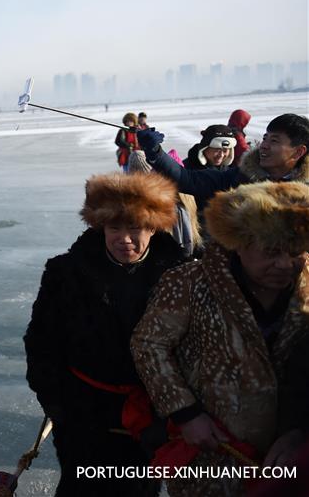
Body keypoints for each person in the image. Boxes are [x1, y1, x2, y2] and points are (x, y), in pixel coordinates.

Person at [131, 182, 309, 496]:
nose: (285, 264)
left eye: (295, 252)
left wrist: (300, 429)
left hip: (290, 456)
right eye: (271, 252)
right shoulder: (190, 282)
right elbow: (149, 344)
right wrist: (185, 413)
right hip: (213, 453)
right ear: (238, 244)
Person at [24, 172, 185, 496]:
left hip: (153, 416)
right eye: (115, 228)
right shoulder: (65, 273)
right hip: (83, 416)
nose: (124, 238)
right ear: (101, 228)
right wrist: (58, 406)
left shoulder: (180, 275)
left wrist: (174, 413)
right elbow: (41, 342)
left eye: (135, 228)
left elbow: (195, 352)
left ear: (153, 227)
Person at [138, 113, 309, 201]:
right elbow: (186, 178)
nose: (264, 145)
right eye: (265, 138)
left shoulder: (305, 190)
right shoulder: (238, 179)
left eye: (274, 141)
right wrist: (155, 152)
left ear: (299, 151)